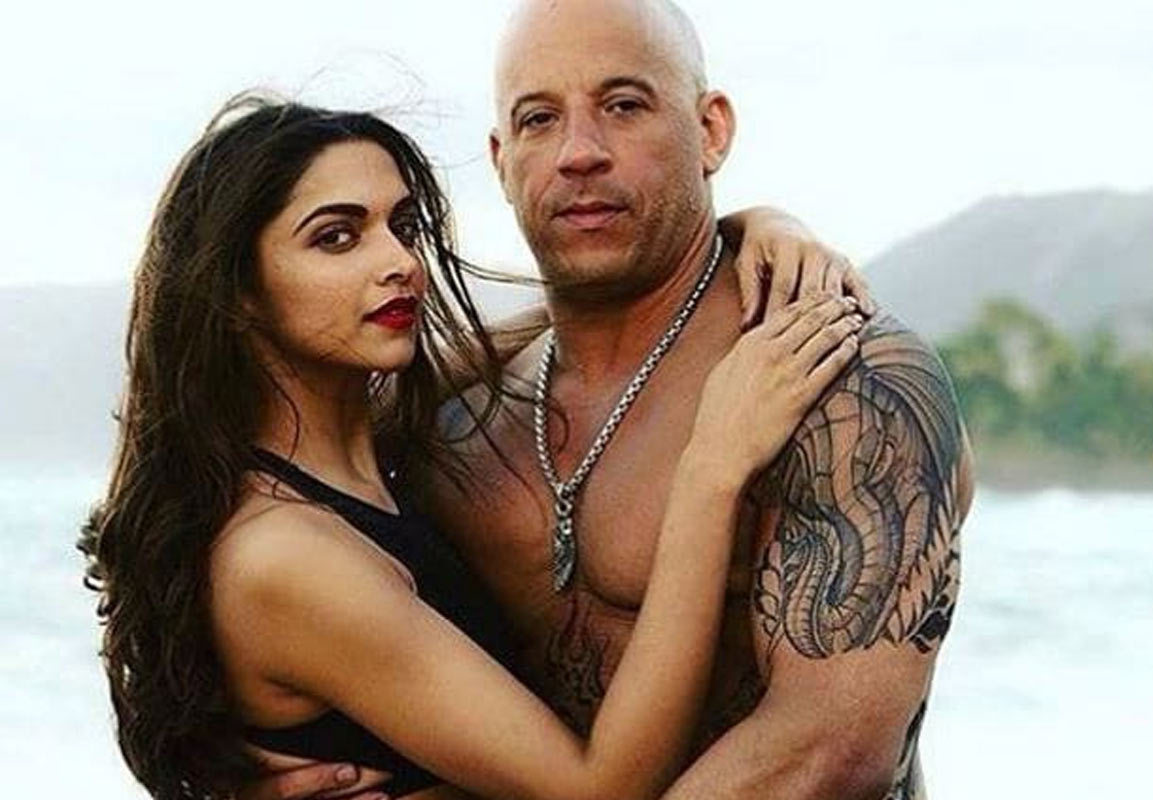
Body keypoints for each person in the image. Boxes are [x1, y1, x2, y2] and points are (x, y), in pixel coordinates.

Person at [257, 1, 974, 798]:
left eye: (624, 106)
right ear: (500, 159)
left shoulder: (834, 380)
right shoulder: (448, 417)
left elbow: (829, 751)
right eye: (538, 119)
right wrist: (216, 766)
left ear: (710, 131)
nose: (579, 153)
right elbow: (209, 567)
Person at [80, 91, 870, 800]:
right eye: (337, 238)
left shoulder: (373, 434)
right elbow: (599, 789)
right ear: (238, 292)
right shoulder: (284, 554)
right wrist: (712, 468)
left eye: (403, 227)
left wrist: (753, 228)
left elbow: (572, 317)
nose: (399, 263)